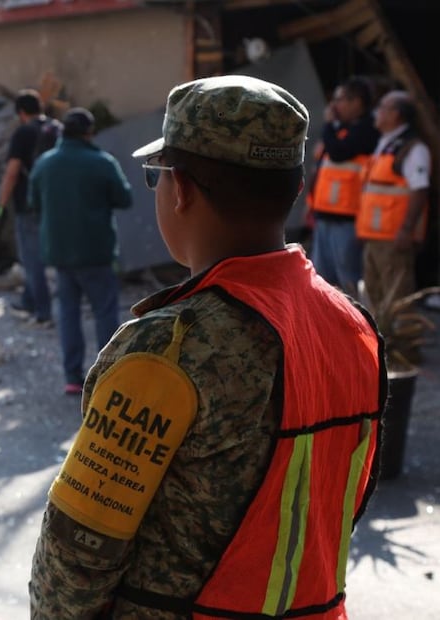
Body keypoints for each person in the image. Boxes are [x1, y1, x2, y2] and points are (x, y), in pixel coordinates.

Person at [30, 76, 384, 619]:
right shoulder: (353, 327)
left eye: (158, 176)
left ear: (182, 190)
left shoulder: (169, 348)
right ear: (294, 188)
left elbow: (77, 553)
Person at [28, 108, 133, 395]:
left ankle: (72, 378)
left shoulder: (45, 164)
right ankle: (107, 375)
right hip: (96, 251)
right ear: (89, 132)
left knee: (68, 313)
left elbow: (32, 202)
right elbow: (124, 198)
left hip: (60, 253)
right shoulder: (102, 162)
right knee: (105, 312)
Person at [357, 90, 432, 321]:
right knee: (375, 296)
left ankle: (405, 354)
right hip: (374, 235)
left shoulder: (413, 149)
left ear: (396, 114)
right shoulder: (385, 144)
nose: (376, 113)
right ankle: (384, 351)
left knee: (398, 299)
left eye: (382, 108)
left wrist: (406, 230)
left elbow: (419, 189)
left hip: (394, 237)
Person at [0, 89, 62, 327]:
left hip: (28, 204)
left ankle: (42, 312)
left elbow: (12, 171)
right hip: (55, 203)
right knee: (49, 257)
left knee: (31, 258)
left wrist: (1, 206)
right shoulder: (57, 128)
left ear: (21, 113)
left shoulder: (23, 132)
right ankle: (28, 299)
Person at [309, 77, 379, 296]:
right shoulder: (341, 129)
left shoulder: (367, 129)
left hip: (348, 220)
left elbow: (339, 152)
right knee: (321, 280)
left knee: (349, 283)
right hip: (326, 216)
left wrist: (329, 124)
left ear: (357, 102)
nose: (334, 106)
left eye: (339, 100)